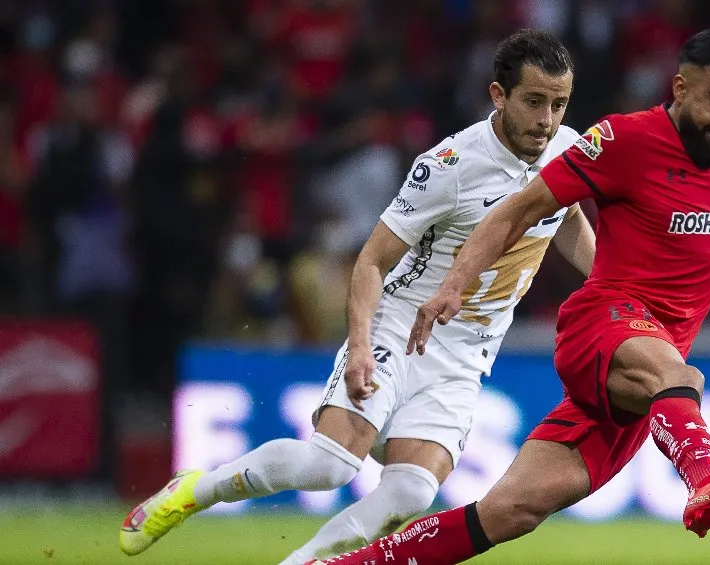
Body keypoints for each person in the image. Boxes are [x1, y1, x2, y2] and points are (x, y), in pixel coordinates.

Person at [317, 25, 710, 565]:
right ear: (681, 87)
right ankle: (706, 480)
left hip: (646, 382)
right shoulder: (622, 140)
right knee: (682, 377)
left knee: (509, 512)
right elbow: (518, 210)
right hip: (605, 325)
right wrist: (452, 286)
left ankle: (349, 564)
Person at [118, 29, 596, 564]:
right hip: (401, 328)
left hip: (466, 355)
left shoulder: (566, 148)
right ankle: (193, 491)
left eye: (558, 105)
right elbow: (372, 259)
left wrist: (606, 279)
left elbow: (567, 214)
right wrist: (362, 345)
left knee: (412, 491)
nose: (546, 120)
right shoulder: (450, 165)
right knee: (329, 466)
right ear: (498, 95)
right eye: (534, 102)